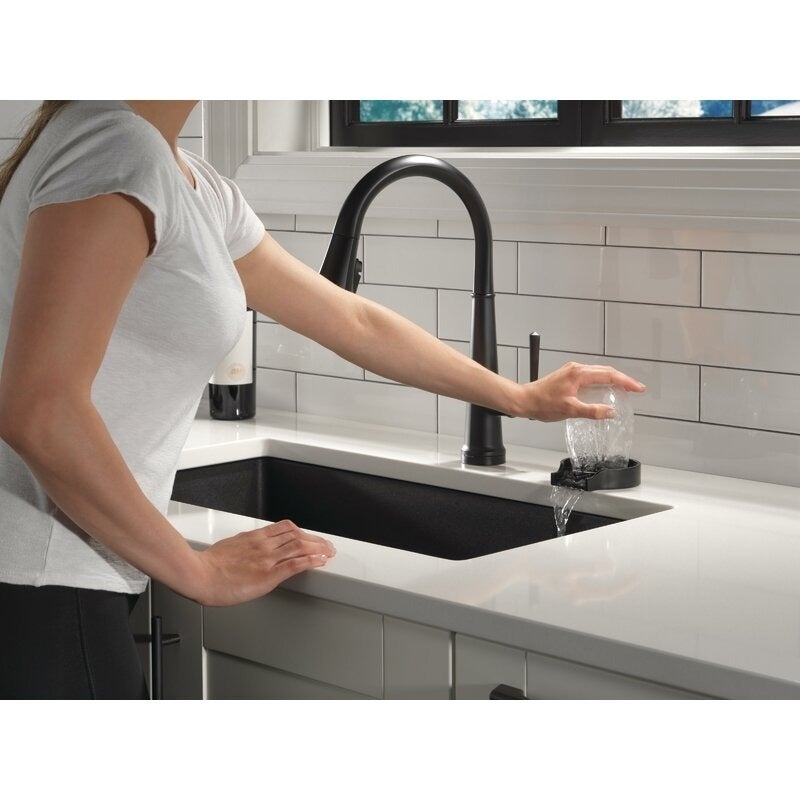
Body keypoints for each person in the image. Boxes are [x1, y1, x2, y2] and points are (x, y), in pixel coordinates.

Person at [0, 100, 645, 699]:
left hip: (63, 580)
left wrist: (519, 398)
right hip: (43, 586)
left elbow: (352, 323)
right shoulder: (116, 147)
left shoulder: (184, 178)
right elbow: (41, 408)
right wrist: (198, 574)